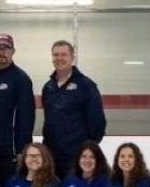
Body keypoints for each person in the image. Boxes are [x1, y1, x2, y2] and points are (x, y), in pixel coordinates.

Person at [41, 40, 106, 179]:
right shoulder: (48, 88)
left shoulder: (86, 86)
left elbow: (98, 122)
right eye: (55, 55)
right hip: (52, 158)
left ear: (72, 57)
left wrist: (87, 152)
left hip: (76, 159)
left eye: (63, 54)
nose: (59, 58)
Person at [0, 33, 35, 187]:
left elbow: (26, 117)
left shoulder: (21, 79)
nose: (2, 52)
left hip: (11, 154)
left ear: (13, 51)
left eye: (6, 48)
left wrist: (22, 151)